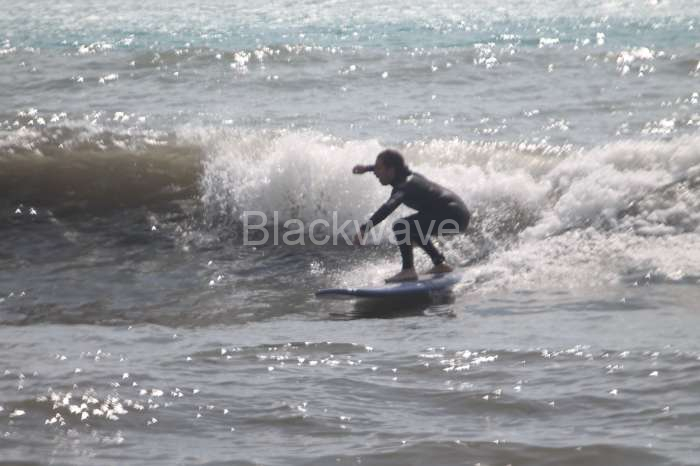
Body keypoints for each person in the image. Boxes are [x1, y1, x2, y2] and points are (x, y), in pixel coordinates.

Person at [352, 149, 470, 283]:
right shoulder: (408, 176)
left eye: (378, 168)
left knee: (401, 226)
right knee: (413, 228)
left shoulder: (404, 186)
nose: (376, 173)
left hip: (452, 216)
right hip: (458, 216)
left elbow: (387, 208)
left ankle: (408, 270)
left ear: (391, 170)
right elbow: (392, 166)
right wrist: (367, 168)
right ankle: (440, 264)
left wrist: (365, 228)